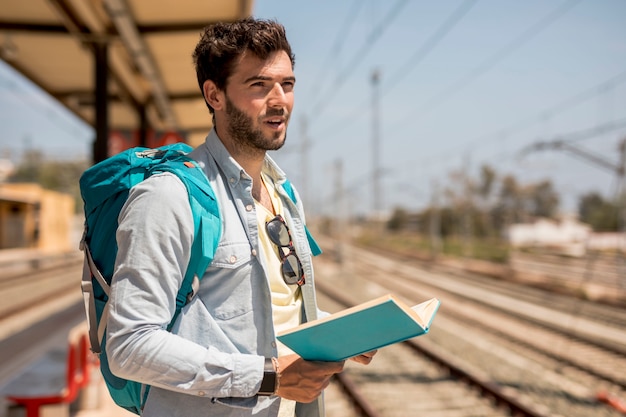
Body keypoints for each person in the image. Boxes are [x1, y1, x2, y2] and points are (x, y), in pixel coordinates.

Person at [105, 17, 376, 417]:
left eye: (287, 84)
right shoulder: (169, 196)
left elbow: (275, 307)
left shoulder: (284, 193)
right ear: (214, 95)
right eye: (259, 85)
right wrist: (270, 378)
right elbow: (129, 346)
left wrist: (344, 330)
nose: (280, 99)